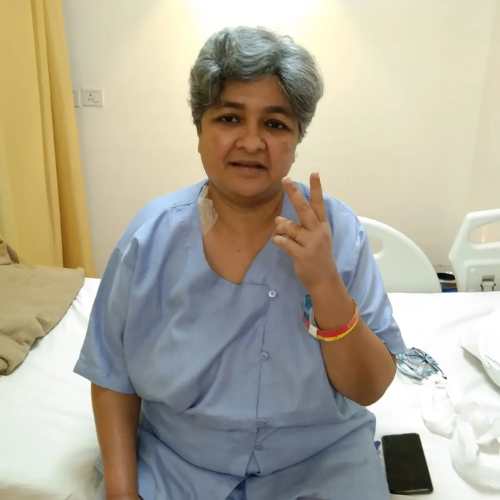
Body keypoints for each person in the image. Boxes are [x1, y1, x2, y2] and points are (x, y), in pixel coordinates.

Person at [75, 26, 406, 500]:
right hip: (177, 462)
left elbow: (369, 387)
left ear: (296, 139)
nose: (251, 142)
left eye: (275, 124)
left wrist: (324, 283)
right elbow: (112, 377)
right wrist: (122, 494)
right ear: (200, 130)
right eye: (230, 118)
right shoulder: (149, 239)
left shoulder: (336, 232)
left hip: (320, 463)